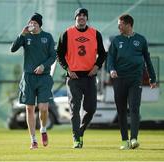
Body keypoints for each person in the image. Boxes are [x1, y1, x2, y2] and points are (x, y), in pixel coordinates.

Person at [57, 8, 106, 148]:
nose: (82, 17)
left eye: (84, 15)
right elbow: (59, 54)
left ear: (87, 18)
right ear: (75, 18)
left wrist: (96, 66)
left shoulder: (96, 34)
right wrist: (68, 69)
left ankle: (80, 131)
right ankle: (76, 139)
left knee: (91, 109)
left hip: (90, 76)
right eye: (79, 15)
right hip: (74, 77)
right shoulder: (66, 33)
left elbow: (103, 54)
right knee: (74, 109)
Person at [107, 14, 157, 150]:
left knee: (134, 108)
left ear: (128, 24)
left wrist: (152, 78)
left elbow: (147, 60)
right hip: (119, 79)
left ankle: (134, 138)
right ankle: (124, 140)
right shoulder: (116, 40)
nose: (118, 26)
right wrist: (111, 69)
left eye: (120, 24)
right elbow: (110, 58)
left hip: (135, 79)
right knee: (121, 110)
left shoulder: (141, 40)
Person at [11, 13, 56, 149]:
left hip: (44, 78)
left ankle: (43, 129)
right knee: (29, 109)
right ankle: (33, 140)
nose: (32, 25)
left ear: (39, 24)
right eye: (30, 22)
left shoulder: (47, 37)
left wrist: (43, 66)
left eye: (34, 23)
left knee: (43, 108)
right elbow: (13, 49)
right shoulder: (26, 36)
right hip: (28, 78)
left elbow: (53, 56)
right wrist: (22, 34)